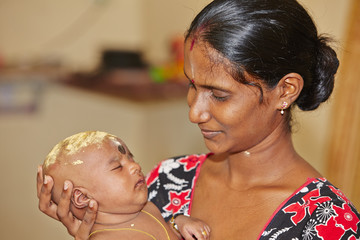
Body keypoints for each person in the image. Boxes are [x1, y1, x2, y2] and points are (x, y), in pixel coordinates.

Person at [37, 0, 360, 239]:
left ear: (286, 90)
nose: (195, 112)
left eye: (219, 95)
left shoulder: (326, 223)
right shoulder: (168, 180)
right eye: (192, 85)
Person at [41, 131, 210, 240]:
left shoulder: (148, 208)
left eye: (131, 157)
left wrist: (178, 223)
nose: (135, 166)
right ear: (83, 197)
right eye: (118, 167)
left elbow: (164, 232)